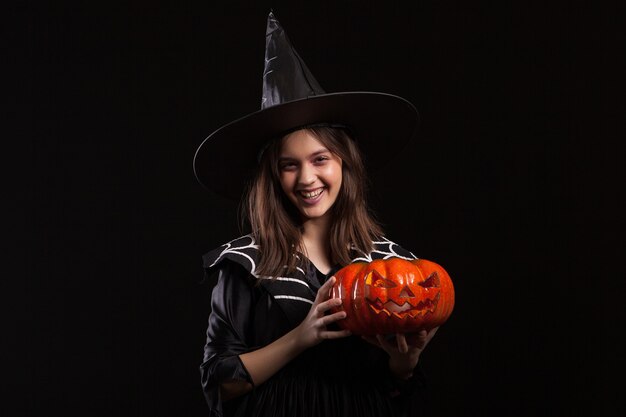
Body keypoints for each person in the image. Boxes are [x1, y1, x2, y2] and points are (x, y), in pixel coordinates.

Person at [194, 12, 439, 417]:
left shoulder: (389, 265)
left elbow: (399, 396)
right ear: (274, 175)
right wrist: (301, 336)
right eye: (289, 165)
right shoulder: (245, 265)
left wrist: (404, 364)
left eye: (320, 158)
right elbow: (219, 384)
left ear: (344, 163)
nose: (307, 178)